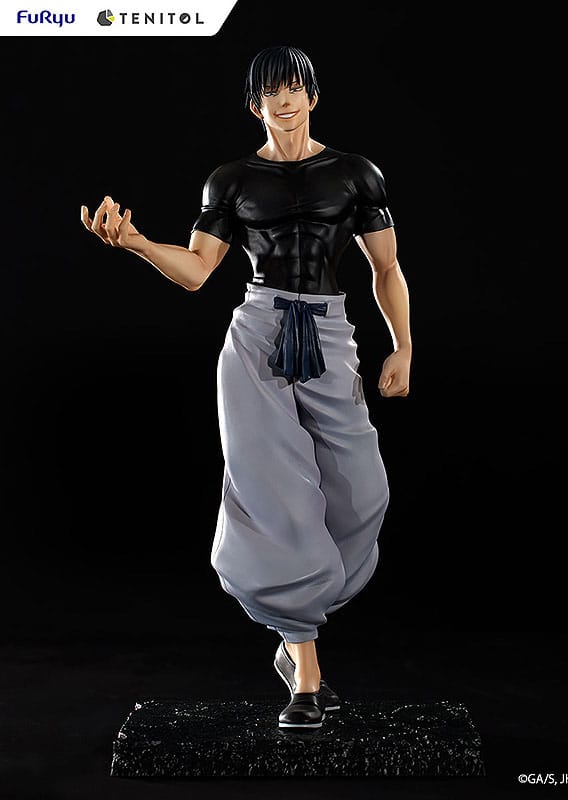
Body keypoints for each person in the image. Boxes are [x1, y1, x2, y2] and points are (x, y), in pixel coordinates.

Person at [81, 45, 412, 730]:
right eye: (269, 93)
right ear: (254, 104)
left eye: (293, 89)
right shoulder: (230, 180)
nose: (282, 102)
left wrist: (403, 345)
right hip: (259, 334)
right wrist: (138, 242)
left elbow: (387, 268)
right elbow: (198, 270)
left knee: (363, 491)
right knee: (276, 492)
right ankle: (306, 668)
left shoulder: (356, 174)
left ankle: (298, 624)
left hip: (328, 332)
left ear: (311, 96)